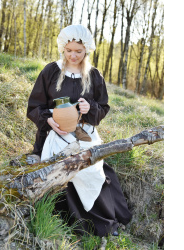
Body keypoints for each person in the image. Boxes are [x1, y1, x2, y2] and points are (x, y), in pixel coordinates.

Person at [27, 24, 132, 237]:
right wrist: (48, 121)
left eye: (78, 51)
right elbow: (34, 106)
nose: (73, 55)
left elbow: (102, 109)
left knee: (90, 171)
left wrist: (89, 108)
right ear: (62, 48)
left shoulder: (93, 75)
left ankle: (100, 225)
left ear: (87, 50)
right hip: (53, 134)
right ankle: (64, 223)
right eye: (69, 50)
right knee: (63, 171)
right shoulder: (51, 71)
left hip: (85, 134)